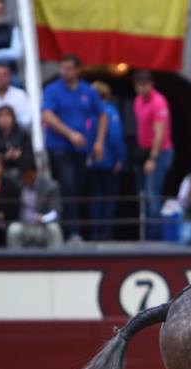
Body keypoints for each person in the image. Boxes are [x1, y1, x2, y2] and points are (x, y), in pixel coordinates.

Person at [41, 54, 107, 242]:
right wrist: (70, 134)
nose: (64, 72)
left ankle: (78, 229)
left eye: (69, 68)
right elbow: (47, 115)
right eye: (62, 67)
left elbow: (102, 114)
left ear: (78, 70)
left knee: (79, 188)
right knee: (67, 186)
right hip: (59, 147)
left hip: (81, 151)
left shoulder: (87, 91)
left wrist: (99, 142)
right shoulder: (53, 90)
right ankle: (72, 231)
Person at [132, 69, 173, 240]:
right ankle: (147, 233)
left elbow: (160, 133)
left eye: (145, 84)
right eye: (139, 85)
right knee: (143, 194)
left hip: (159, 152)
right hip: (143, 151)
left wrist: (152, 159)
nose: (142, 88)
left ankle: (153, 237)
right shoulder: (137, 101)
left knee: (152, 194)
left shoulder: (159, 102)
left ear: (151, 84)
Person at [87, 81, 125, 241]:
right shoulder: (110, 111)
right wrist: (119, 158)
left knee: (96, 197)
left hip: (92, 160)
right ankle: (106, 233)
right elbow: (116, 137)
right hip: (107, 160)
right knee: (108, 198)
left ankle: (96, 233)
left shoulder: (89, 113)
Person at [6, 163, 64, 249]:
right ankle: (15, 262)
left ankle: (58, 262)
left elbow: (56, 213)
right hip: (23, 226)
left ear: (35, 173)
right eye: (23, 175)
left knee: (54, 228)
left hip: (42, 227)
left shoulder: (50, 187)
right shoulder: (17, 186)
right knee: (13, 229)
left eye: (29, 174)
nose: (26, 177)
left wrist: (44, 218)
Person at [0, 105, 32, 179]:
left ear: (13, 118)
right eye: (1, 116)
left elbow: (29, 156)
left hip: (20, 168)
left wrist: (19, 156)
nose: (5, 119)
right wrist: (4, 157)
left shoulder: (22, 134)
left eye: (8, 116)